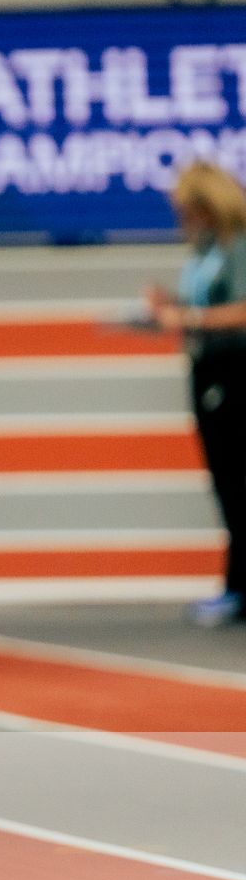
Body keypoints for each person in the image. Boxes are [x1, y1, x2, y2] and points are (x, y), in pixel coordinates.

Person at [146, 160, 246, 627]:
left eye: (188, 210)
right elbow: (203, 305)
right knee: (227, 483)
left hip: (236, 372)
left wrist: (190, 320)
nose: (183, 220)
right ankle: (237, 586)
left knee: (239, 482)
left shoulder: (238, 245)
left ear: (210, 206)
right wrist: (170, 307)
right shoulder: (205, 249)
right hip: (208, 370)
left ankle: (238, 589)